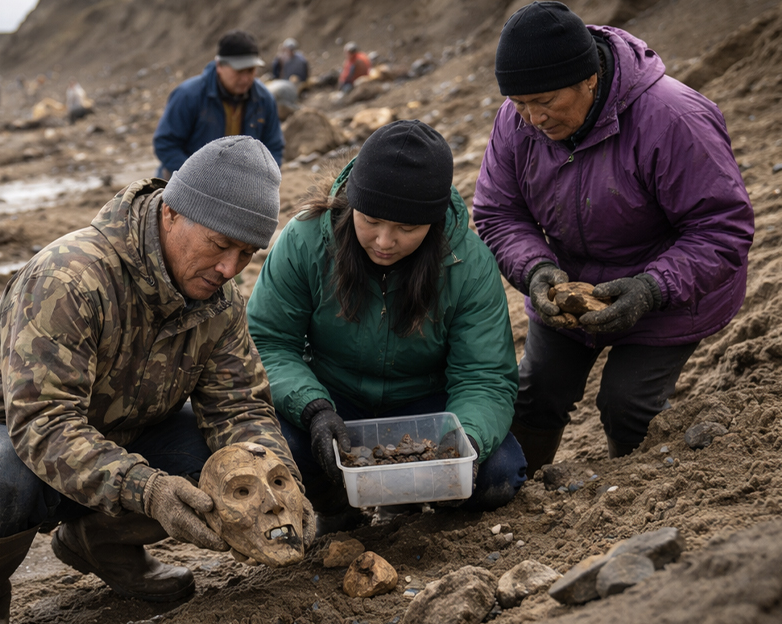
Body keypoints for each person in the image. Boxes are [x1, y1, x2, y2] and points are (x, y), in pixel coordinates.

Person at [0, 137, 314, 624]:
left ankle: (100, 544)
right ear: (171, 213)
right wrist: (149, 490)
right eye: (220, 244)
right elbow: (43, 423)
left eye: (247, 252)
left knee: (243, 457)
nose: (230, 268)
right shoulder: (72, 277)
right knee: (2, 473)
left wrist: (283, 485)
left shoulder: (219, 300)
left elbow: (239, 408)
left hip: (116, 436)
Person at [472, 1, 754, 473]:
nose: (532, 119)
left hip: (671, 289)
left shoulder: (672, 116)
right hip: (573, 283)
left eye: (545, 102)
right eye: (520, 104)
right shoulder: (517, 119)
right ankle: (516, 493)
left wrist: (652, 289)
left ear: (590, 78)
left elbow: (722, 227)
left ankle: (635, 508)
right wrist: (536, 269)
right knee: (536, 392)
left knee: (627, 406)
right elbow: (499, 211)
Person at [247, 121, 525, 520]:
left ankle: (417, 505)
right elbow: (268, 342)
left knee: (497, 473)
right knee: (275, 450)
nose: (383, 242)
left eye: (406, 228)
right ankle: (337, 508)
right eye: (371, 220)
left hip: (428, 409)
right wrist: (315, 409)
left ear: (432, 224)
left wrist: (463, 442)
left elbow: (485, 376)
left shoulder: (469, 264)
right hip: (334, 399)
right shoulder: (304, 240)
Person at [153, 30, 284, 179]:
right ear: (219, 65)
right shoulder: (188, 95)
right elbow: (166, 144)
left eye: (251, 70)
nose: (246, 78)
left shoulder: (264, 100)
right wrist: (195, 178)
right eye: (239, 71)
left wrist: (262, 181)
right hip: (185, 182)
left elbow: (273, 147)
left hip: (238, 185)